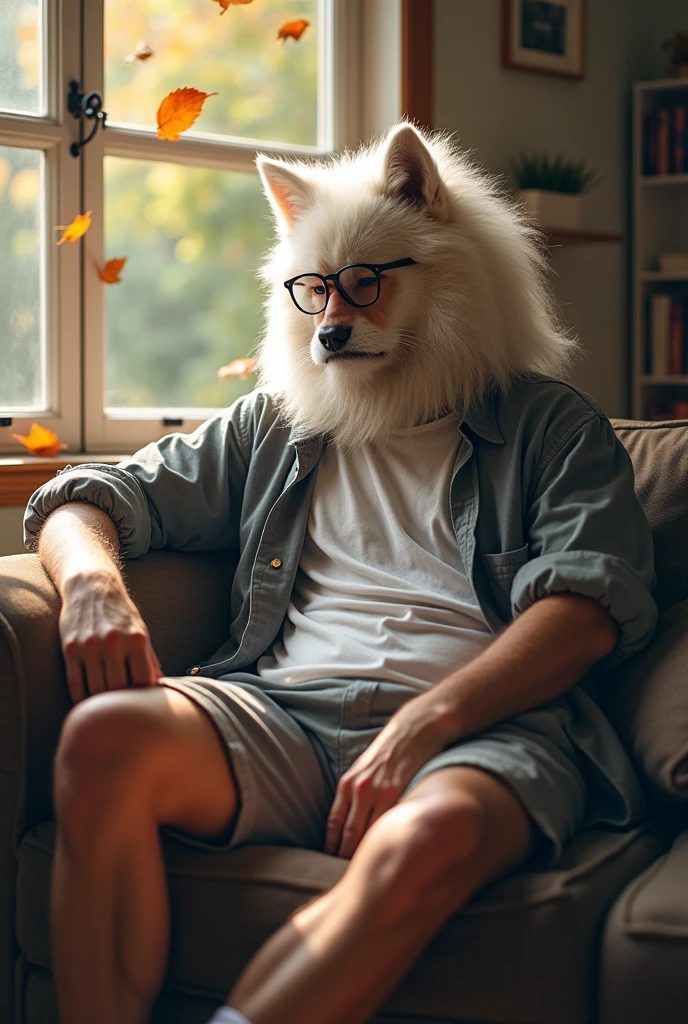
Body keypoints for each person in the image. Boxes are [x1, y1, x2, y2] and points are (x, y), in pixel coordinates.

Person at [25, 124, 658, 1024]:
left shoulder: (553, 428)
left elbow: (589, 608)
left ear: (450, 266)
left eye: (367, 284)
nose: (332, 318)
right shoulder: (272, 425)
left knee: (428, 840)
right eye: (318, 288)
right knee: (102, 740)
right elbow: (89, 496)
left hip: (483, 733)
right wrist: (91, 585)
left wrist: (421, 724)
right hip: (282, 713)